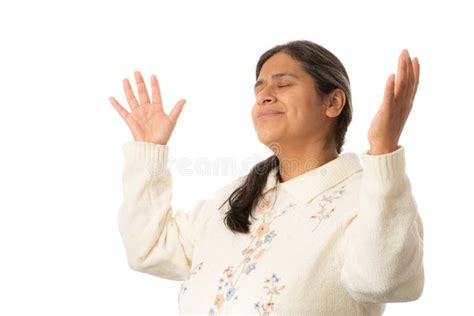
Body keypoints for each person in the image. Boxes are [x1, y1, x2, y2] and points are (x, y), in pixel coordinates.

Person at [109, 40, 424, 315]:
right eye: (258, 89)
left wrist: (384, 151)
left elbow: (381, 280)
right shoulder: (235, 197)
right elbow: (149, 248)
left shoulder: (371, 197)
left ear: (333, 102)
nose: (264, 96)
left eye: (283, 84)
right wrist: (149, 151)